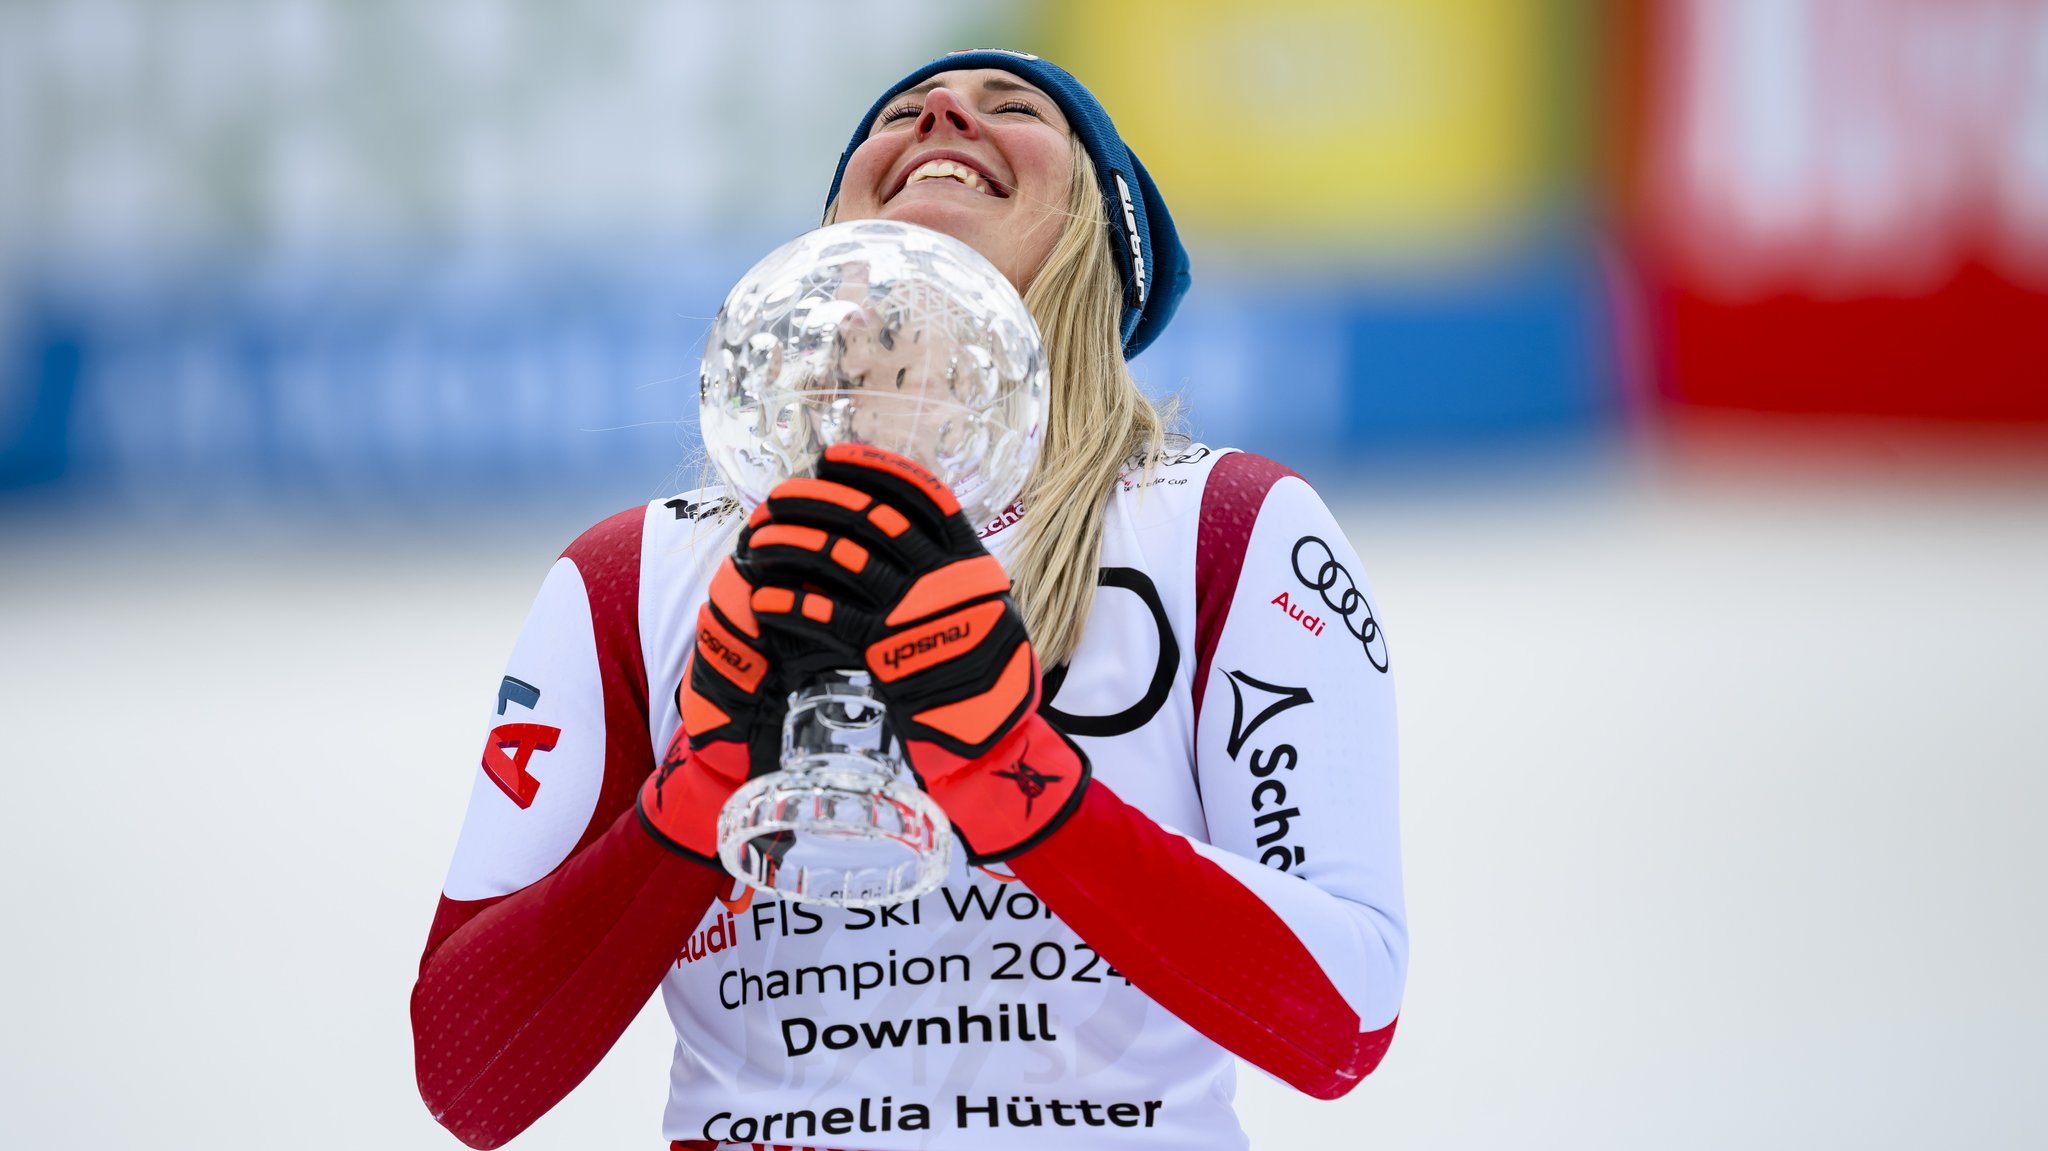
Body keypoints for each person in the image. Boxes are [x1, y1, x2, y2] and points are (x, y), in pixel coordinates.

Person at [412, 49, 1405, 1151]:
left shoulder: (1223, 526)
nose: (941, 113)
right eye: (900, 116)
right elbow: (469, 1076)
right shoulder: (634, 576)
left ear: (1096, 237)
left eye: (1013, 109)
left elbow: (1343, 1020)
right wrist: (692, 803)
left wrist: (1023, 788)